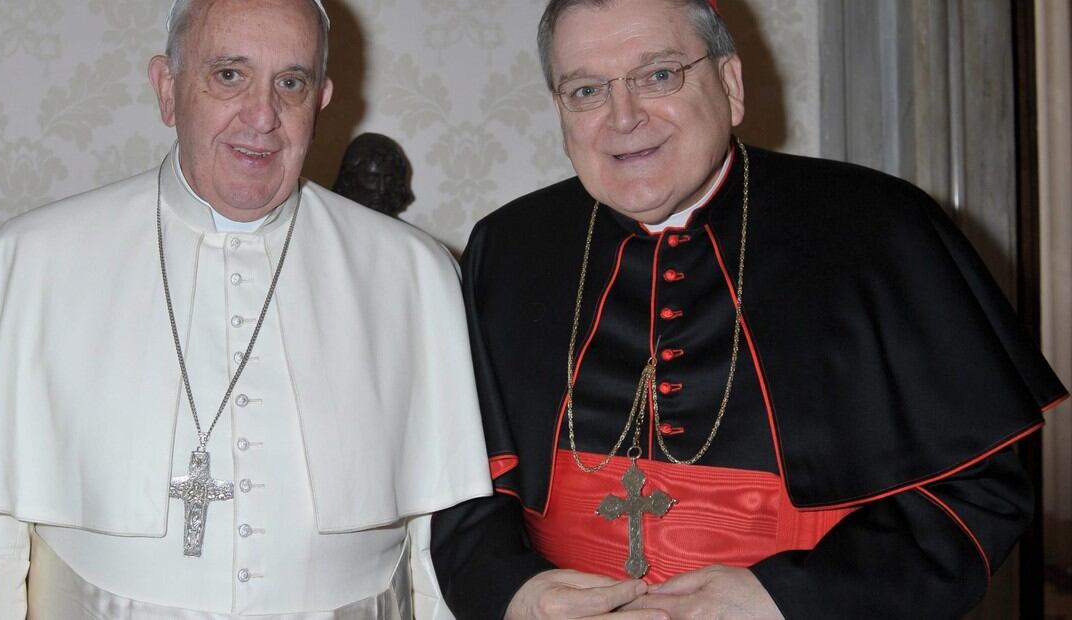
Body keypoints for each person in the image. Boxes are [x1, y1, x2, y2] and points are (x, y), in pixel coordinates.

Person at [429, 0, 1069, 618]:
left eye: (659, 75)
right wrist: (514, 597)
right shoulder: (509, 246)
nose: (623, 117)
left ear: (731, 83)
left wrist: (791, 599)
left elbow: (976, 496)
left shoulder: (876, 228)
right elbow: (460, 487)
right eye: (586, 90)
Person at [0, 0, 491, 617]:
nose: (262, 116)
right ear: (167, 89)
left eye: (291, 83)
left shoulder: (413, 273)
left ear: (321, 100)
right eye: (229, 75)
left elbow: (437, 550)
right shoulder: (36, 260)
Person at [333, 132, 416, 218]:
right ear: (348, 178)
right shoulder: (325, 218)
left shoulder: (402, 231)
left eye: (388, 179)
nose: (381, 189)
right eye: (371, 178)